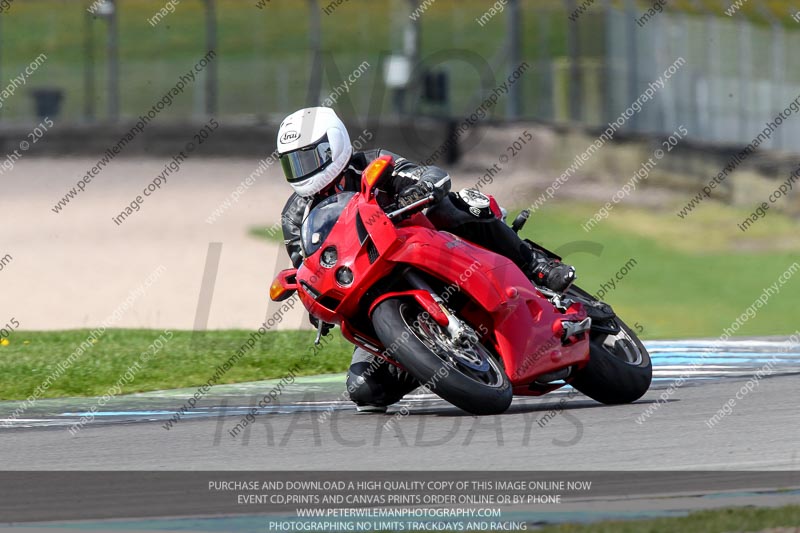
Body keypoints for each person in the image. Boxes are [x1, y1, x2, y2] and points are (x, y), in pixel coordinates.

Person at [278, 107, 575, 412]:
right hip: (365, 286)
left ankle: (536, 266)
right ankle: (430, 356)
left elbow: (427, 175)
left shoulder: (371, 163)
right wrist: (313, 297)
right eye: (293, 163)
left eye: (308, 158)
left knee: (462, 204)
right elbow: (306, 265)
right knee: (364, 389)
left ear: (334, 145)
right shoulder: (294, 216)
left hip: (418, 245)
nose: (302, 170)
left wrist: (422, 188)